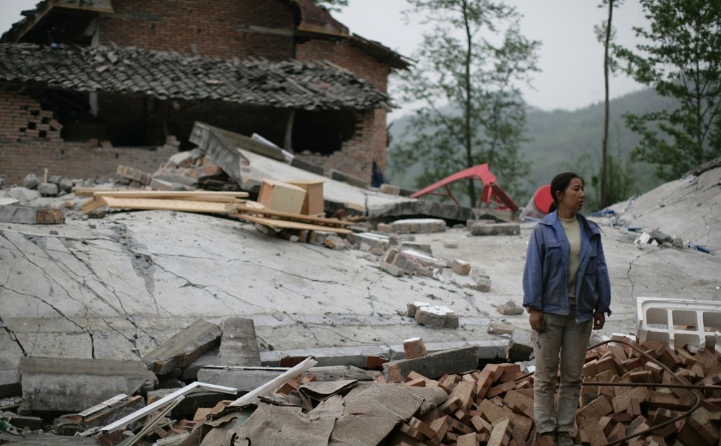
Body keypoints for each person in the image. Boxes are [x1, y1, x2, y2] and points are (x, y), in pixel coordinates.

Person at [522, 172, 612, 446]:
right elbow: (533, 270)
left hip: (581, 314)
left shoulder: (591, 231)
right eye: (576, 189)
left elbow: (600, 270)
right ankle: (546, 430)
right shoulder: (543, 230)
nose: (582, 194)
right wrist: (533, 308)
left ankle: (564, 431)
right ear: (560, 195)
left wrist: (601, 306)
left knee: (572, 377)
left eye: (583, 189)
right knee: (546, 376)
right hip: (549, 313)